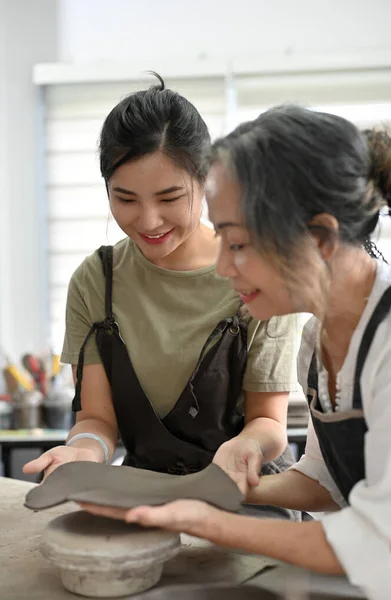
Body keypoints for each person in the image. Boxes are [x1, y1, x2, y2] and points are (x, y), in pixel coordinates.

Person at [79, 106, 391, 600]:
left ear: (320, 239)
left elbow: (380, 544)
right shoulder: (319, 339)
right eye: (221, 240)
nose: (223, 267)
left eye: (239, 244)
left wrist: (207, 520)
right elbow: (323, 485)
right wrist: (202, 488)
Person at [23, 77, 300, 519]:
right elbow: (98, 420)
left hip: (248, 497)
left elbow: (268, 423)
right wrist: (82, 452)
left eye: (170, 197)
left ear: (206, 180)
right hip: (144, 496)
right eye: (125, 198)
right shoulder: (97, 280)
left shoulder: (257, 274)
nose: (148, 220)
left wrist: (245, 447)